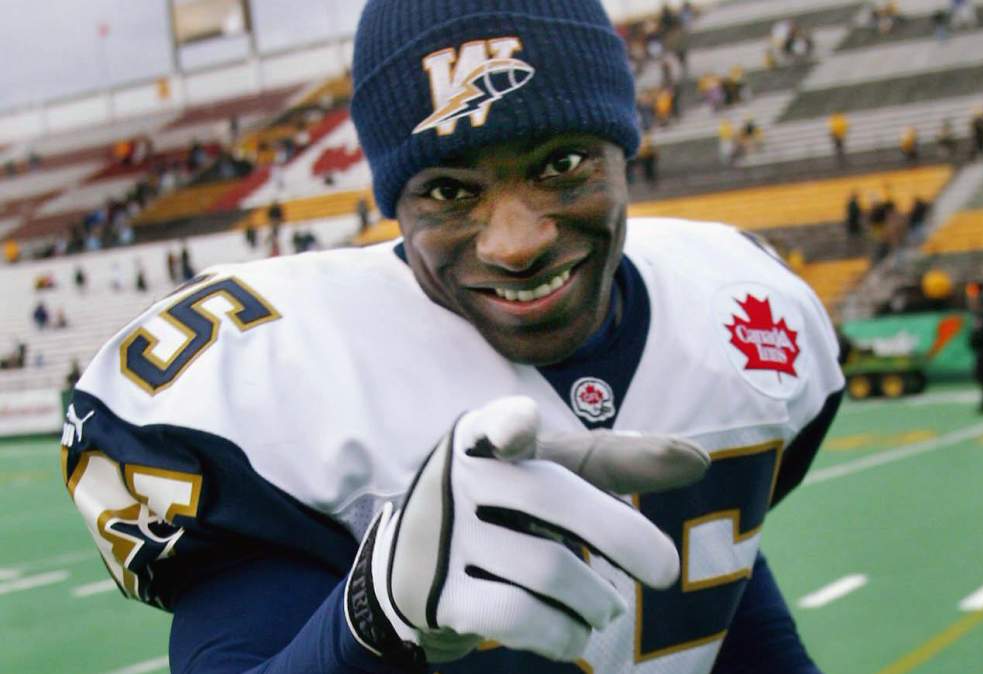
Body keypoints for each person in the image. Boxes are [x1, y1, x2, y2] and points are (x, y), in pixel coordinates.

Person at [61, 2, 845, 673]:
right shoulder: (275, 382)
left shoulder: (738, 306)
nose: (515, 242)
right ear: (395, 201)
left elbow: (715, 586)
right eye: (448, 189)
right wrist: (373, 617)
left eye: (561, 163)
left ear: (625, 149)